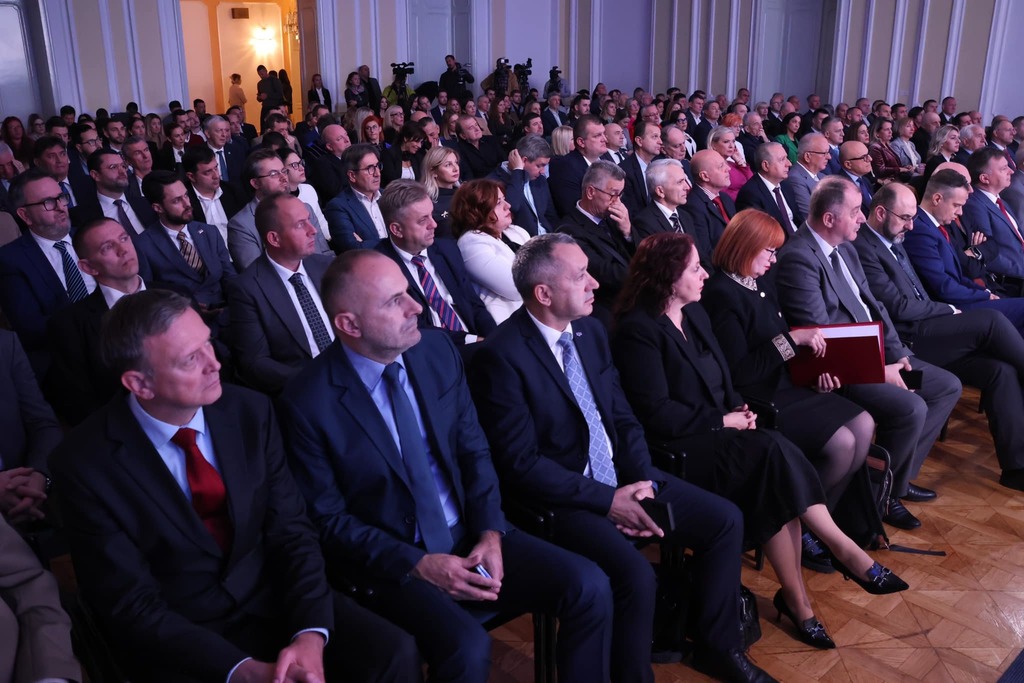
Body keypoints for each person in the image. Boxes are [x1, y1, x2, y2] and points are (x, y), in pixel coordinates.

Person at [278, 248, 612, 682]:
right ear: (349, 325)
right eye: (394, 301)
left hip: (470, 533)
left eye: (408, 292)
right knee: (467, 647)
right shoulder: (307, 401)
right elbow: (328, 520)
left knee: (589, 586)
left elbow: (474, 452)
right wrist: (418, 564)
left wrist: (490, 532)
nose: (415, 307)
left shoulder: (434, 350)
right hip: (394, 557)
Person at [50, 288, 419, 681]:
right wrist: (240, 671)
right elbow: (130, 603)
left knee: (393, 654)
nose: (215, 364)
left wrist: (310, 635)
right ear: (140, 383)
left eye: (208, 343)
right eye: (190, 359)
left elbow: (292, 532)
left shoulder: (250, 410)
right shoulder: (83, 465)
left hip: (276, 596)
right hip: (184, 633)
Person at [467, 233, 776, 683]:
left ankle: (719, 647)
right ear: (544, 294)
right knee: (635, 575)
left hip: (623, 478)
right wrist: (608, 500)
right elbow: (522, 465)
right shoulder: (500, 356)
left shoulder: (590, 331)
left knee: (725, 521)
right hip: (565, 499)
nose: (595, 283)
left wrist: (640, 480)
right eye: (581, 276)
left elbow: (623, 417)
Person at [611, 231, 907, 650]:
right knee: (773, 454)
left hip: (725, 433)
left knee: (773, 472)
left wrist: (740, 411)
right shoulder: (638, 330)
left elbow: (726, 380)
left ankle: (800, 601)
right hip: (682, 448)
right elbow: (656, 413)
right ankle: (841, 551)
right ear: (667, 277)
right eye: (694, 268)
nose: (704, 274)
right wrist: (724, 420)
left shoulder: (694, 314)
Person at [775, 176, 962, 530]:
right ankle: (877, 501)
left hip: (877, 355)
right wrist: (879, 369)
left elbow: (874, 308)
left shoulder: (847, 248)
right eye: (856, 211)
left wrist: (897, 353)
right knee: (910, 408)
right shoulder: (799, 258)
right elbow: (820, 340)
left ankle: (893, 483)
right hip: (840, 370)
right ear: (829, 219)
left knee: (945, 386)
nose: (863, 218)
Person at [702, 210, 876, 517]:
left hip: (790, 383)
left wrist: (813, 375)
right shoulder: (722, 293)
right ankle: (797, 521)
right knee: (842, 443)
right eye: (769, 251)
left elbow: (781, 346)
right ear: (746, 247)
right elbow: (741, 372)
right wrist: (792, 340)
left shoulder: (760, 281)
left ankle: (826, 519)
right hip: (761, 397)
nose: (774, 260)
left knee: (865, 424)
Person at [854, 181, 1024, 492]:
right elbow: (898, 307)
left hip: (930, 331)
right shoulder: (865, 247)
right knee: (991, 320)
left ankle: (1016, 468)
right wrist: (949, 310)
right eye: (905, 218)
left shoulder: (894, 237)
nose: (911, 225)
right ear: (880, 213)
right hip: (907, 340)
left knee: (1001, 371)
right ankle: (890, 486)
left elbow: (921, 292)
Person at [45, 218, 146, 426]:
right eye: (107, 247)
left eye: (124, 238)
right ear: (88, 267)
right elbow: (80, 405)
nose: (123, 250)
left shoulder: (178, 295)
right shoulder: (69, 325)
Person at [375, 180, 496, 346]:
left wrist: (494, 338)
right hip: (432, 350)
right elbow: (415, 328)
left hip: (477, 342)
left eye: (431, 215)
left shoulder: (447, 249)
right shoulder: (380, 269)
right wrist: (472, 340)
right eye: (423, 220)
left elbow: (473, 303)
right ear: (397, 229)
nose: (434, 224)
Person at [0, 170, 97, 375]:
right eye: (48, 202)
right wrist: (97, 322)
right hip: (68, 361)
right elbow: (31, 329)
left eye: (61, 197)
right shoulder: (10, 260)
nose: (61, 207)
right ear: (25, 215)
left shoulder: (90, 237)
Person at [451, 178, 529, 324]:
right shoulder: (471, 243)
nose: (508, 205)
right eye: (498, 203)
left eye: (504, 199)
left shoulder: (516, 231)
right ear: (477, 210)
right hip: (511, 322)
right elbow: (518, 287)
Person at [488, 134, 558, 236]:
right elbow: (513, 207)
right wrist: (517, 171)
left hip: (548, 237)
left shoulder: (539, 179)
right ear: (523, 161)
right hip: (522, 241)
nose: (543, 171)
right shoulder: (492, 183)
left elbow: (551, 215)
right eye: (539, 165)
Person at [324, 143, 389, 251]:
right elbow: (353, 248)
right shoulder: (338, 207)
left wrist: (365, 243)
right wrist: (394, 243)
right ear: (352, 176)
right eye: (370, 168)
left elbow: (407, 234)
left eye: (377, 166)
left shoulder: (389, 196)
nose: (377, 173)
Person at [736, 142, 801, 233]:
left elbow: (798, 219)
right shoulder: (749, 194)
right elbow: (762, 234)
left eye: (787, 158)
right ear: (766, 166)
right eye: (782, 159)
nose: (789, 163)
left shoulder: (786, 185)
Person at [782, 133, 830, 222]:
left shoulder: (823, 176)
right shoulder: (795, 179)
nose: (829, 157)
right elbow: (811, 216)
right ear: (807, 156)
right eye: (824, 153)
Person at [708, 126, 752, 202]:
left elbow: (752, 182)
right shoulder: (713, 167)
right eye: (726, 142)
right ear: (713, 145)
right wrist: (748, 197)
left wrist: (741, 162)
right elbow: (723, 195)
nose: (731, 146)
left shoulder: (733, 164)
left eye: (733, 141)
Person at [381, 123, 426, 188]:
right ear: (406, 138)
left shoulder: (418, 157)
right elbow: (391, 182)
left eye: (421, 142)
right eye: (416, 141)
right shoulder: (389, 155)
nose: (419, 146)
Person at [868, 117, 908, 183]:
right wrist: (900, 169)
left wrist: (905, 168)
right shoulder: (875, 148)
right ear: (877, 133)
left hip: (895, 180)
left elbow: (892, 165)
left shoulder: (887, 145)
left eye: (890, 129)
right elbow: (880, 170)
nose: (890, 132)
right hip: (885, 183)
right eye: (886, 129)